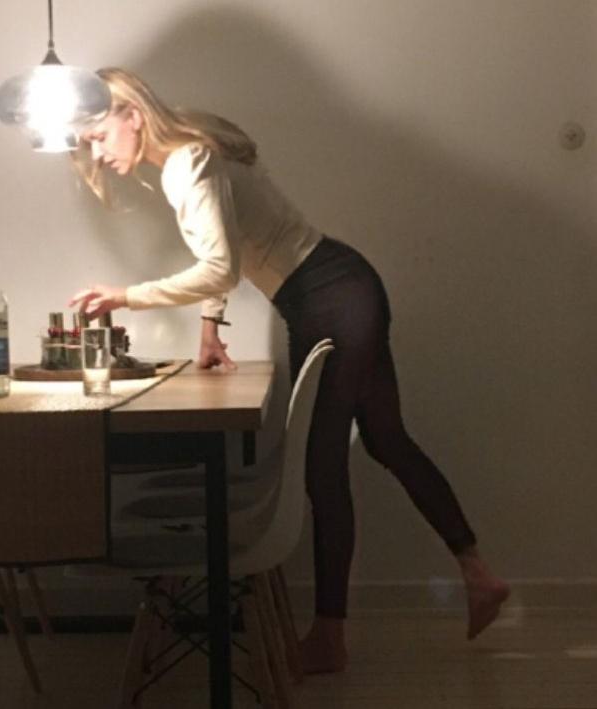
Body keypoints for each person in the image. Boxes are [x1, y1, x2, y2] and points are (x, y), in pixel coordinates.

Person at [68, 68, 510, 674]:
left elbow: (218, 267)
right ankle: (479, 575)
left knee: (323, 470)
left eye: (97, 136)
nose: (96, 153)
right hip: (342, 290)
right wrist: (210, 327)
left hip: (329, 302)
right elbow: (225, 248)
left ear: (133, 116)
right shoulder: (195, 150)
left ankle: (329, 638)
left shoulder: (185, 163)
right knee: (385, 439)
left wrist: (126, 296)